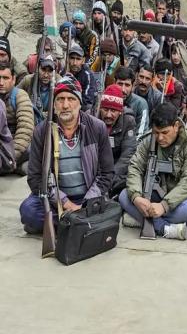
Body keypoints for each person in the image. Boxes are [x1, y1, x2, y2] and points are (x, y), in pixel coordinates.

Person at [19, 77, 113, 234]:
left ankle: (67, 222)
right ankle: (77, 223)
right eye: (60, 99)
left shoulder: (97, 128)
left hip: (88, 198)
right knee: (29, 211)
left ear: (79, 102)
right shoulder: (42, 131)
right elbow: (35, 178)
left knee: (110, 210)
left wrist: (85, 203)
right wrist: (63, 202)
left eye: (71, 99)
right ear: (54, 104)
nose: (65, 105)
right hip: (55, 199)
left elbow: (107, 173)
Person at [120, 102, 187, 240]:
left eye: (165, 132)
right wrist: (137, 197)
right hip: (153, 196)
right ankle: (165, 228)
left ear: (176, 126)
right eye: (156, 132)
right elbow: (135, 167)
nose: (160, 138)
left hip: (182, 199)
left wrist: (164, 206)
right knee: (124, 196)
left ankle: (140, 218)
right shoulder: (148, 140)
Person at [98, 84, 137, 198]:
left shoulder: (128, 122)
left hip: (117, 170)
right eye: (105, 110)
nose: (109, 115)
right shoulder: (91, 118)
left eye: (113, 110)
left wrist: (111, 176)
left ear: (120, 111)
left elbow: (128, 154)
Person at [0, 61, 34, 174]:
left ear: (13, 80)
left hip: (18, 145)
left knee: (29, 151)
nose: (1, 82)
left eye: (5, 78)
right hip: (3, 143)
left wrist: (11, 156)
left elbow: (25, 130)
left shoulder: (20, 95)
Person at [18, 55, 60, 125]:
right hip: (29, 119)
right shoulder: (28, 80)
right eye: (43, 70)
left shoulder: (58, 83)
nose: (46, 75)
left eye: (50, 71)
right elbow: (15, 96)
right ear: (37, 69)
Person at [115, 66, 149, 135]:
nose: (123, 89)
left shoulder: (141, 104)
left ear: (133, 86)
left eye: (127, 85)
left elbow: (141, 135)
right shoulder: (105, 99)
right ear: (114, 82)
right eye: (120, 84)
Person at [65, 45, 98, 113]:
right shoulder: (63, 72)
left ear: (83, 60)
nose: (74, 63)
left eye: (78, 59)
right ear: (68, 59)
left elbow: (87, 100)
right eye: (72, 58)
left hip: (81, 108)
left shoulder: (88, 75)